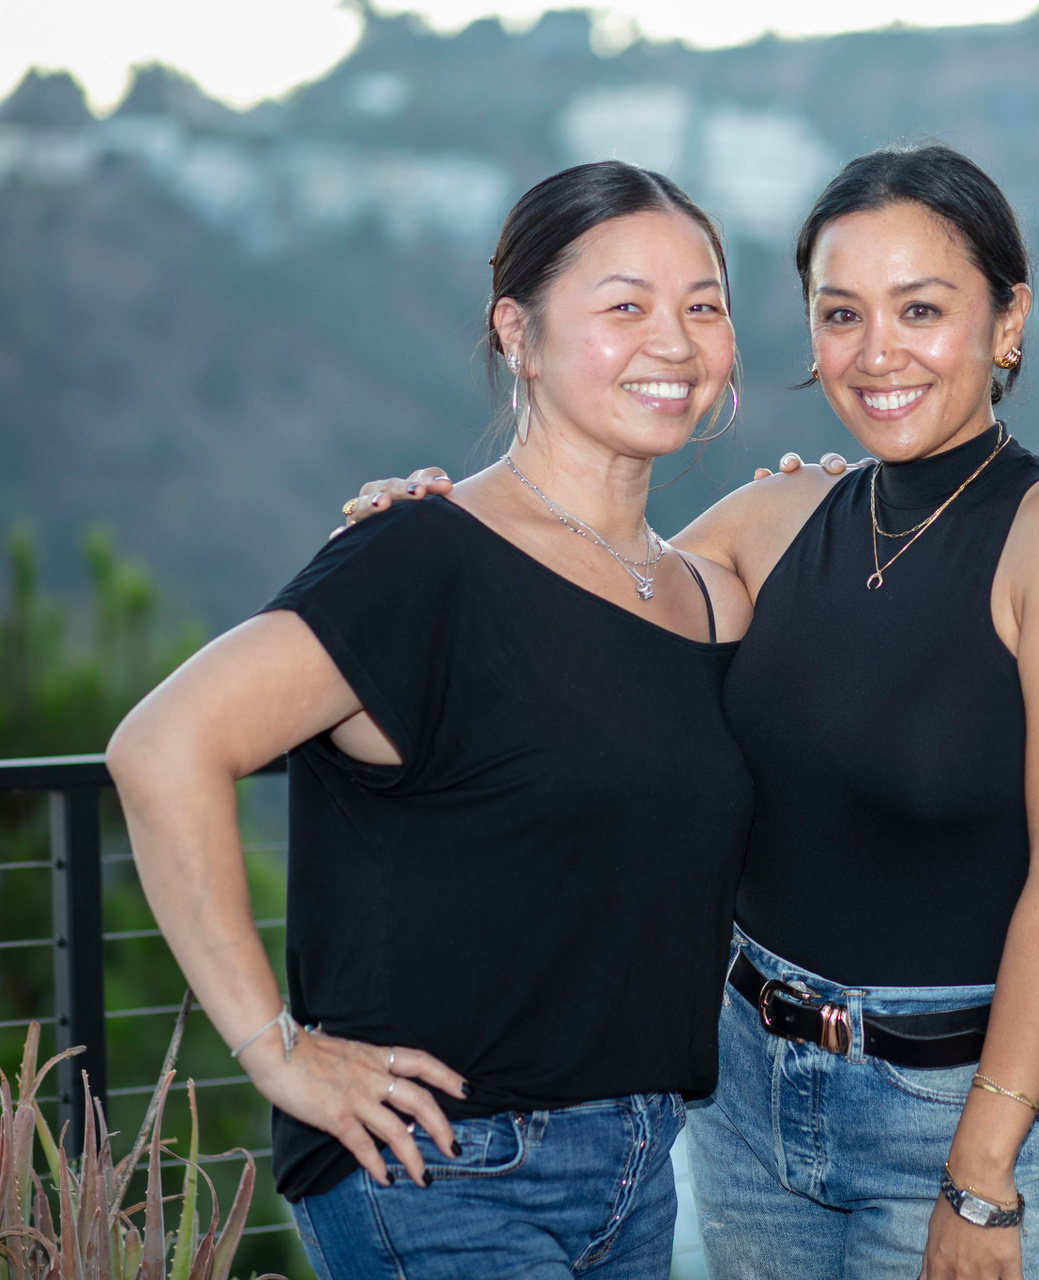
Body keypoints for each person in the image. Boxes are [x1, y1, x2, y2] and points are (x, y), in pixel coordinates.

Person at [344, 144, 1039, 1279]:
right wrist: (430, 528)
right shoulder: (778, 516)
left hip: (949, 1105)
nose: (877, 352)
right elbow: (577, 597)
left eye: (921, 309)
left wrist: (980, 1169)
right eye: (842, 313)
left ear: (1007, 321)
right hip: (746, 1093)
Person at [106, 161, 754, 1280]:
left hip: (642, 1170)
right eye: (625, 305)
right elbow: (163, 747)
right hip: (442, 1169)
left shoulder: (707, 597)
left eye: (703, 305)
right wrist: (275, 1050)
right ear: (519, 332)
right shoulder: (421, 556)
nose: (675, 340)